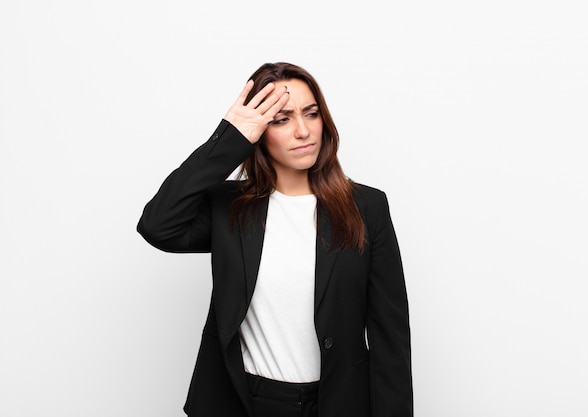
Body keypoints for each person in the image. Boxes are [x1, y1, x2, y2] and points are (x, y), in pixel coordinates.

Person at [137, 62, 413, 417]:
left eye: (311, 114)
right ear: (260, 131)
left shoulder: (367, 207)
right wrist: (229, 138)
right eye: (282, 119)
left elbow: (390, 335)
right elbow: (158, 225)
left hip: (338, 403)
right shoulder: (230, 208)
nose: (303, 130)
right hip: (244, 401)